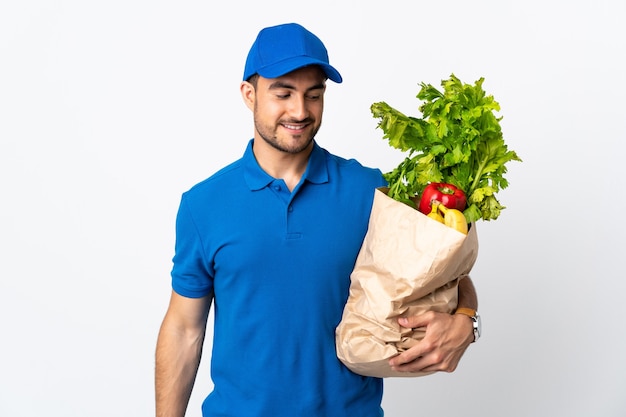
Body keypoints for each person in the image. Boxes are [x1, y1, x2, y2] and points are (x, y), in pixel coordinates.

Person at [155, 22, 479, 417]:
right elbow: (184, 330)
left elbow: (443, 271)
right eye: (283, 93)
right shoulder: (203, 205)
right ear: (248, 94)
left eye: (314, 94)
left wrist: (466, 321)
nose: (300, 111)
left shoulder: (371, 191)